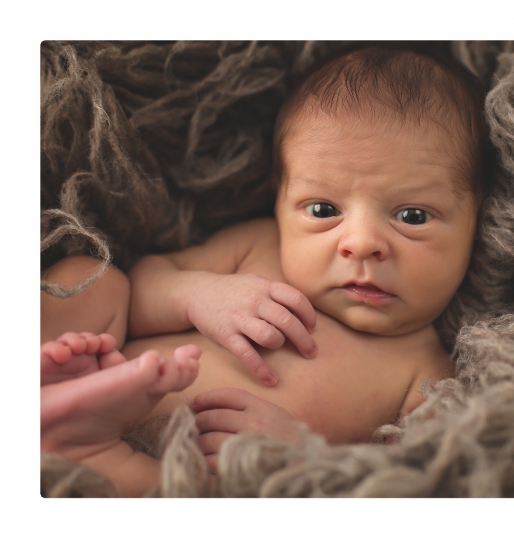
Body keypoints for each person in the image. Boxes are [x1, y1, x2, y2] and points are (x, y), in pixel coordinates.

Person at [40, 45, 490, 495]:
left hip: (156, 463)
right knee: (95, 280)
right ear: (279, 200)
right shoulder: (260, 246)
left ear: (478, 220)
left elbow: (407, 481)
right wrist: (196, 294)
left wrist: (306, 455)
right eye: (323, 209)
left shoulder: (428, 376)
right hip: (93, 363)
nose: (361, 243)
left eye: (412, 216)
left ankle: (77, 447)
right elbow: (143, 286)